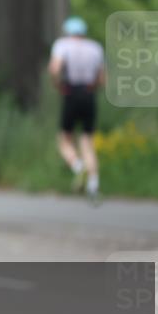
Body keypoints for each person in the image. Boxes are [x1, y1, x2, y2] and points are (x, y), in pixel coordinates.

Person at [48, 16, 106, 198]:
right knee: (87, 141)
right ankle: (93, 184)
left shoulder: (62, 45)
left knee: (65, 139)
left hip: (71, 92)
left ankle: (78, 166)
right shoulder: (95, 48)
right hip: (89, 94)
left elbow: (55, 69)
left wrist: (59, 86)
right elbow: (102, 79)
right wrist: (91, 88)